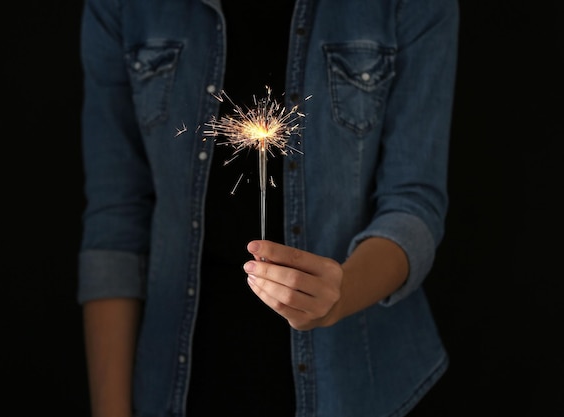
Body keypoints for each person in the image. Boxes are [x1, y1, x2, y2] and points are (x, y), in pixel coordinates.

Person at [77, 0, 459, 416]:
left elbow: (414, 202)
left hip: (357, 384)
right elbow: (115, 219)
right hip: (178, 378)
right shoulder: (123, 8)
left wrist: (342, 291)